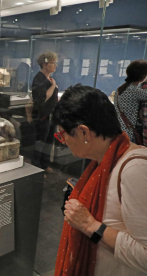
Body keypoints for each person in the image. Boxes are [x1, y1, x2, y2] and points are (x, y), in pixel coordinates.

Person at [52, 84, 147, 276]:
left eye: (62, 134)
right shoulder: (103, 161)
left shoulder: (134, 171)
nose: (63, 141)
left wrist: (90, 226)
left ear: (84, 132)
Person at [31, 51, 58, 173]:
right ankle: (36, 166)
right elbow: (43, 98)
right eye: (53, 63)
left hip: (50, 115)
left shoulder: (48, 78)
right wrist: (53, 86)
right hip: (43, 116)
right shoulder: (39, 79)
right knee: (41, 142)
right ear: (45, 64)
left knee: (48, 142)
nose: (55, 65)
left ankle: (44, 164)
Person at [114, 59, 147, 143]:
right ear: (143, 76)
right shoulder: (134, 90)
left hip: (118, 128)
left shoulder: (120, 89)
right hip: (128, 131)